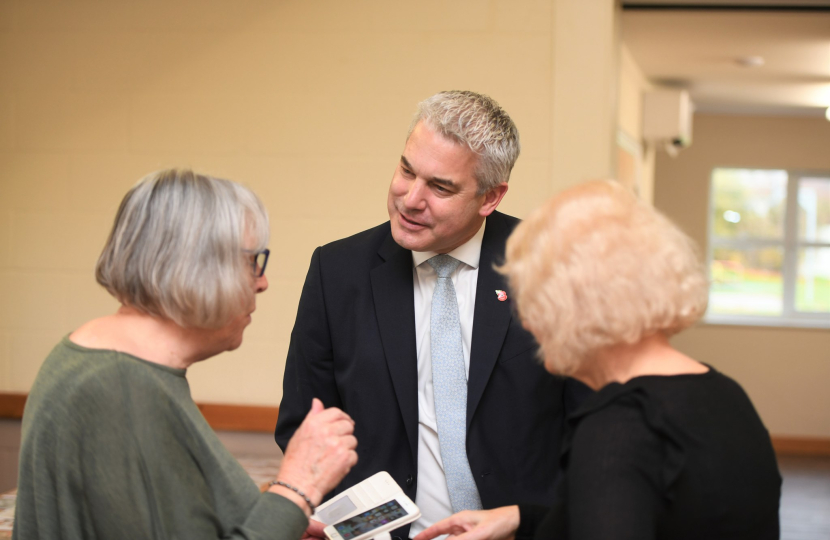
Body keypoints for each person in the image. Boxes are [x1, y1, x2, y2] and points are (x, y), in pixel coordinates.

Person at [275, 91, 588, 539]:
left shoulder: (551, 268)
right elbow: (303, 424)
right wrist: (357, 527)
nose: (410, 198)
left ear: (490, 197)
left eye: (440, 187)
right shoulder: (338, 272)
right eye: (406, 170)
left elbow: (591, 429)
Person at [414, 180, 782, 540]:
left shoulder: (618, 429)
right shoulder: (727, 396)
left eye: (531, 299)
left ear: (576, 306)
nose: (526, 321)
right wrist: (522, 519)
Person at [14, 169, 358, 540]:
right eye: (252, 261)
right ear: (198, 269)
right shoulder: (122, 389)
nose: (262, 282)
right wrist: (296, 490)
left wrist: (280, 519)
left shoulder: (96, 357)